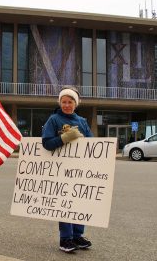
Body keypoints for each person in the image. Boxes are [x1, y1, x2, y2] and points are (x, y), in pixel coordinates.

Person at [41, 86, 93, 253]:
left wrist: (84, 139)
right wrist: (64, 138)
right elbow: (47, 143)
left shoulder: (82, 121)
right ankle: (66, 238)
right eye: (63, 101)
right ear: (60, 103)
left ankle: (78, 235)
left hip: (80, 169)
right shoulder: (54, 119)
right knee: (65, 204)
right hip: (61, 170)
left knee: (79, 201)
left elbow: (93, 145)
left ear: (75, 104)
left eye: (70, 102)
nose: (66, 105)